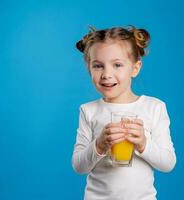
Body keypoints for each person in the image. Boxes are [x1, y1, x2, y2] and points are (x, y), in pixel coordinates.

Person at [72, 25, 176, 200]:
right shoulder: (88, 110)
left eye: (117, 65)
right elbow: (79, 166)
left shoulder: (154, 107)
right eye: (98, 66)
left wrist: (143, 143)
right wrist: (99, 145)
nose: (106, 74)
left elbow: (168, 163)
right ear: (89, 68)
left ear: (135, 68)